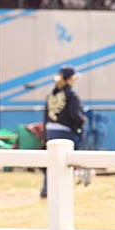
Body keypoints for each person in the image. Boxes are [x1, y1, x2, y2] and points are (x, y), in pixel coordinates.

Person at [40, 65, 86, 198]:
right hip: (65, 132)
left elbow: (45, 115)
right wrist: (82, 121)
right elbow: (75, 115)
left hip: (50, 130)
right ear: (70, 79)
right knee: (67, 163)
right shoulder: (72, 94)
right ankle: (63, 192)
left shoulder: (50, 94)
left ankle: (46, 190)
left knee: (52, 162)